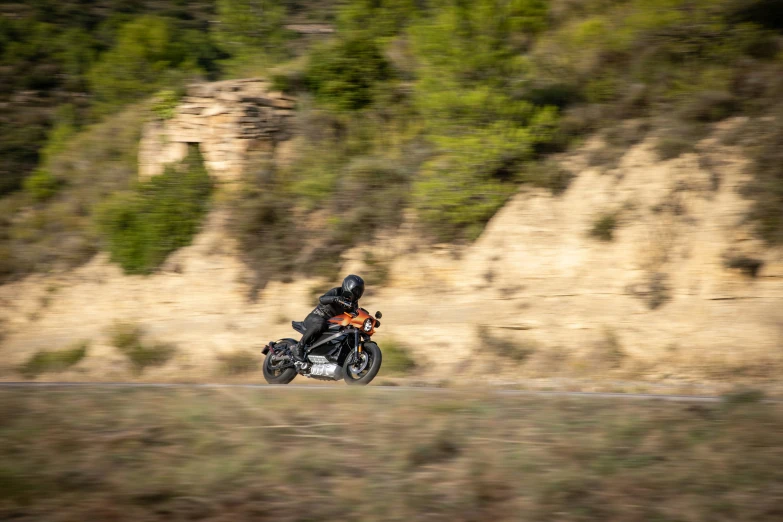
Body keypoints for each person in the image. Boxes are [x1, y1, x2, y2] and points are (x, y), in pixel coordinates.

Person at [293, 274, 365, 362]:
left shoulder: (354, 303)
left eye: (360, 291)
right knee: (320, 324)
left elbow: (354, 314)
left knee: (348, 332)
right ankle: (299, 347)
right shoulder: (336, 291)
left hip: (331, 324)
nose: (358, 293)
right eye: (356, 290)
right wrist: (336, 298)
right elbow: (322, 299)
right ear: (348, 286)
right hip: (317, 317)